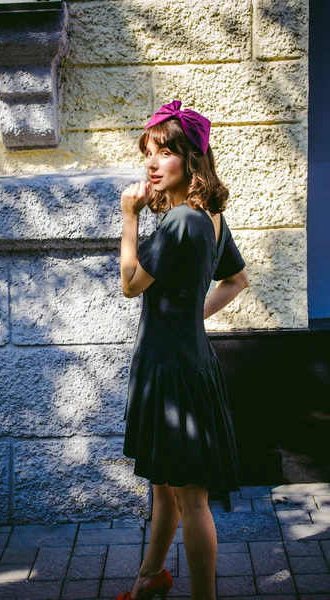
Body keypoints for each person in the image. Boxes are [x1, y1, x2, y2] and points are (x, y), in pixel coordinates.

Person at [117, 100, 249, 600]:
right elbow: (237, 281)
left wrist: (129, 217)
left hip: (169, 369)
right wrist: (193, 316)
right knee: (163, 484)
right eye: (148, 151)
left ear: (190, 160)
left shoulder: (178, 223)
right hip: (187, 362)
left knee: (191, 499)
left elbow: (131, 285)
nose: (152, 162)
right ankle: (151, 577)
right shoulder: (210, 217)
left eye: (165, 151)